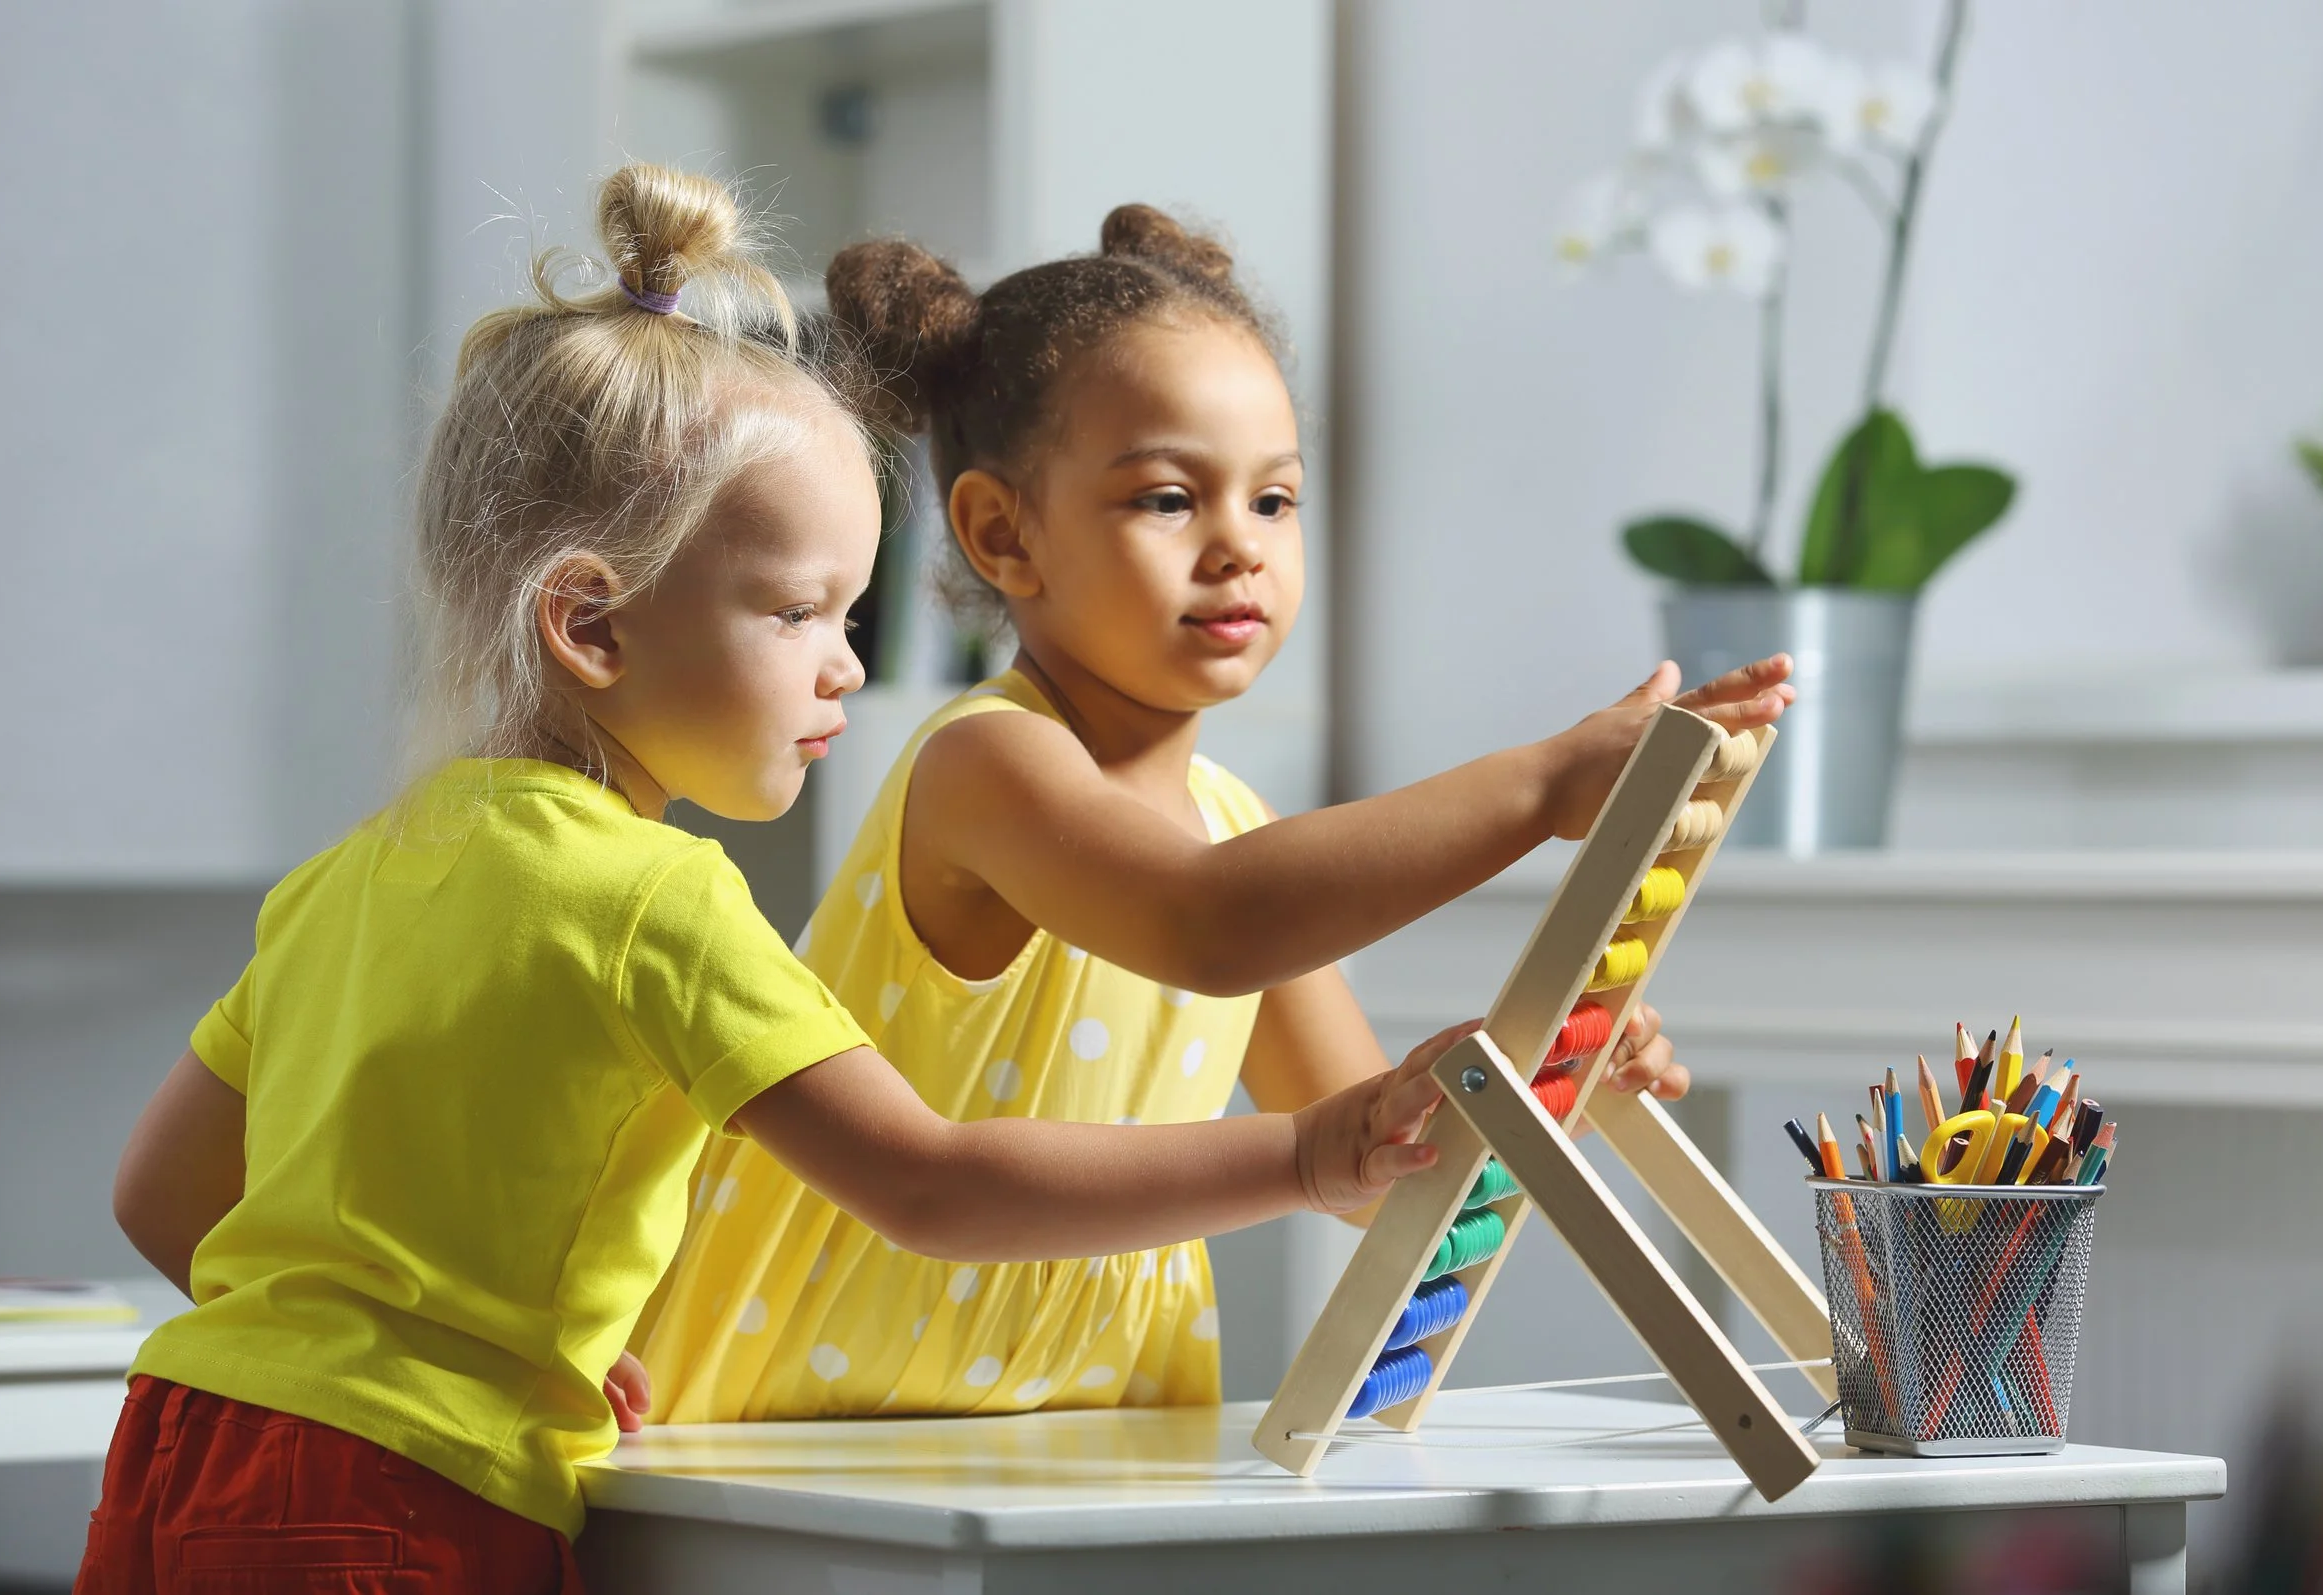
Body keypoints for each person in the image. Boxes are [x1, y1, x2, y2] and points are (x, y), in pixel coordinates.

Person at [78, 166, 1485, 1587]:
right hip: (404, 1498)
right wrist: (1303, 1155)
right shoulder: (660, 901)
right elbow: (932, 1186)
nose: (848, 664)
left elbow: (164, 1193)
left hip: (184, 1439)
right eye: (800, 609)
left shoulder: (353, 872)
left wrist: (351, 1353)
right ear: (593, 623)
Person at [629, 205, 1795, 1424]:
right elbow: (1208, 921)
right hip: (797, 1428)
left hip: (1090, 1434)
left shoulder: (1228, 820)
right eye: (1171, 499)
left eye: (1275, 501)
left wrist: (1554, 1059)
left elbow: (1379, 1173)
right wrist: (1542, 783)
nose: (1240, 546)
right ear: (999, 532)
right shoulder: (986, 767)